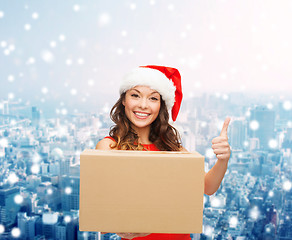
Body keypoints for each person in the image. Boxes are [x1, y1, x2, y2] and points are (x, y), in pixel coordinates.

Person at [96, 65, 231, 240]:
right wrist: (134, 226)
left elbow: (208, 187)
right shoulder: (109, 147)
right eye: (135, 95)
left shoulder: (172, 148)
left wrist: (223, 159)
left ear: (161, 105)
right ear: (123, 100)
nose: (143, 105)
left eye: (153, 98)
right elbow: (102, 216)